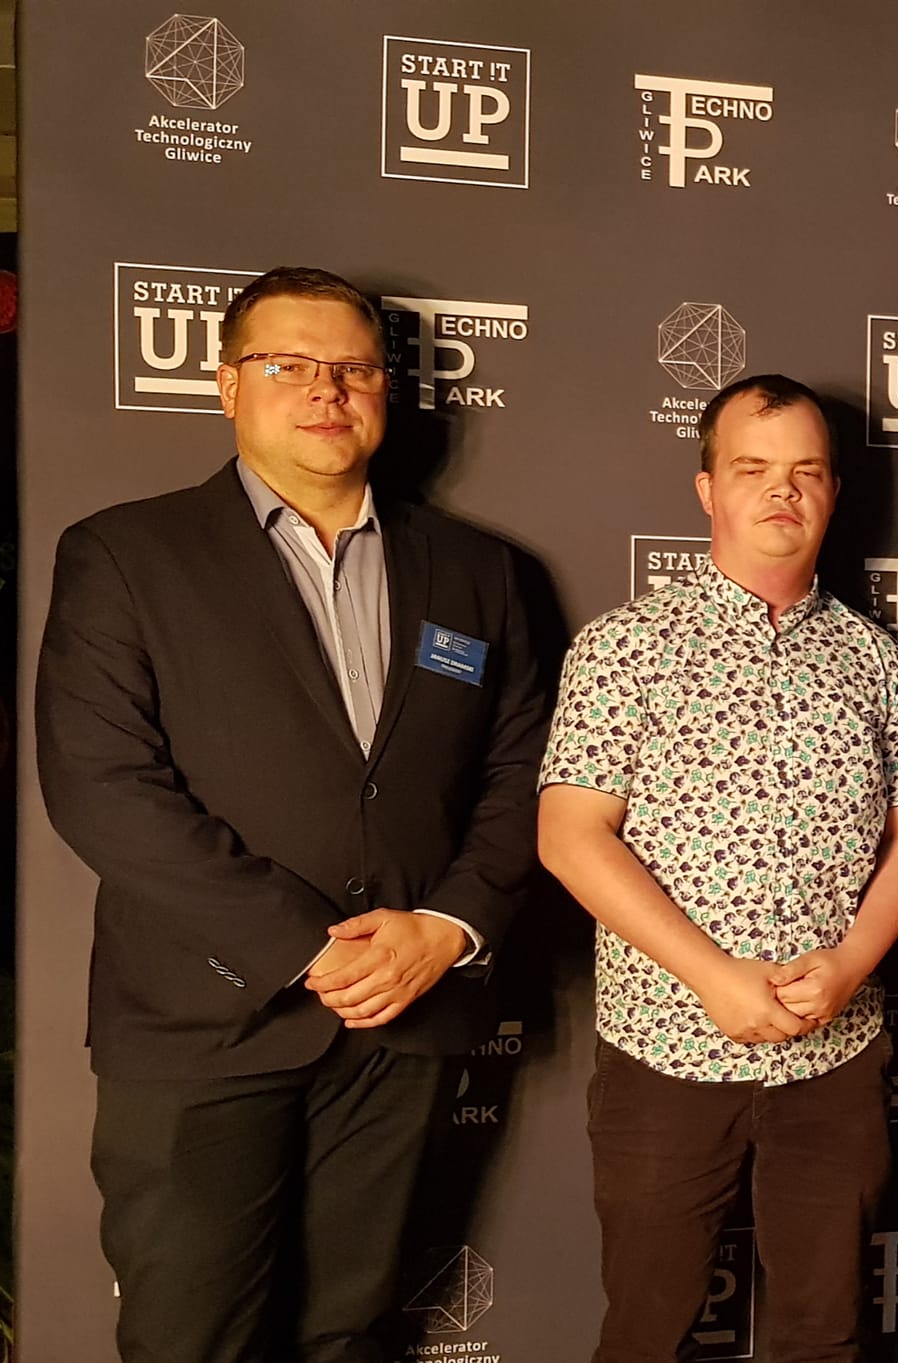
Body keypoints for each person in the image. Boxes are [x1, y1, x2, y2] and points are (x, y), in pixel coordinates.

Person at [36, 265, 549, 1362]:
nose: (327, 388)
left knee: (350, 1336)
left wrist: (446, 927)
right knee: (189, 1338)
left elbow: (521, 775)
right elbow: (101, 782)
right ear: (228, 386)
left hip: (403, 1023)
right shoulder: (126, 554)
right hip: (205, 1024)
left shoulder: (479, 572)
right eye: (289, 364)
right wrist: (305, 947)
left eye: (354, 368)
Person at [536, 373, 898, 1363]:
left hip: (832, 1059)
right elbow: (570, 835)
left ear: (833, 491)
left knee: (824, 1334)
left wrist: (850, 965)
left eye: (806, 470)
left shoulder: (875, 659)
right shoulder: (625, 645)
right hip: (666, 1053)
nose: (781, 490)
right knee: (645, 1333)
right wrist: (713, 977)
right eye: (752, 468)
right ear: (708, 488)